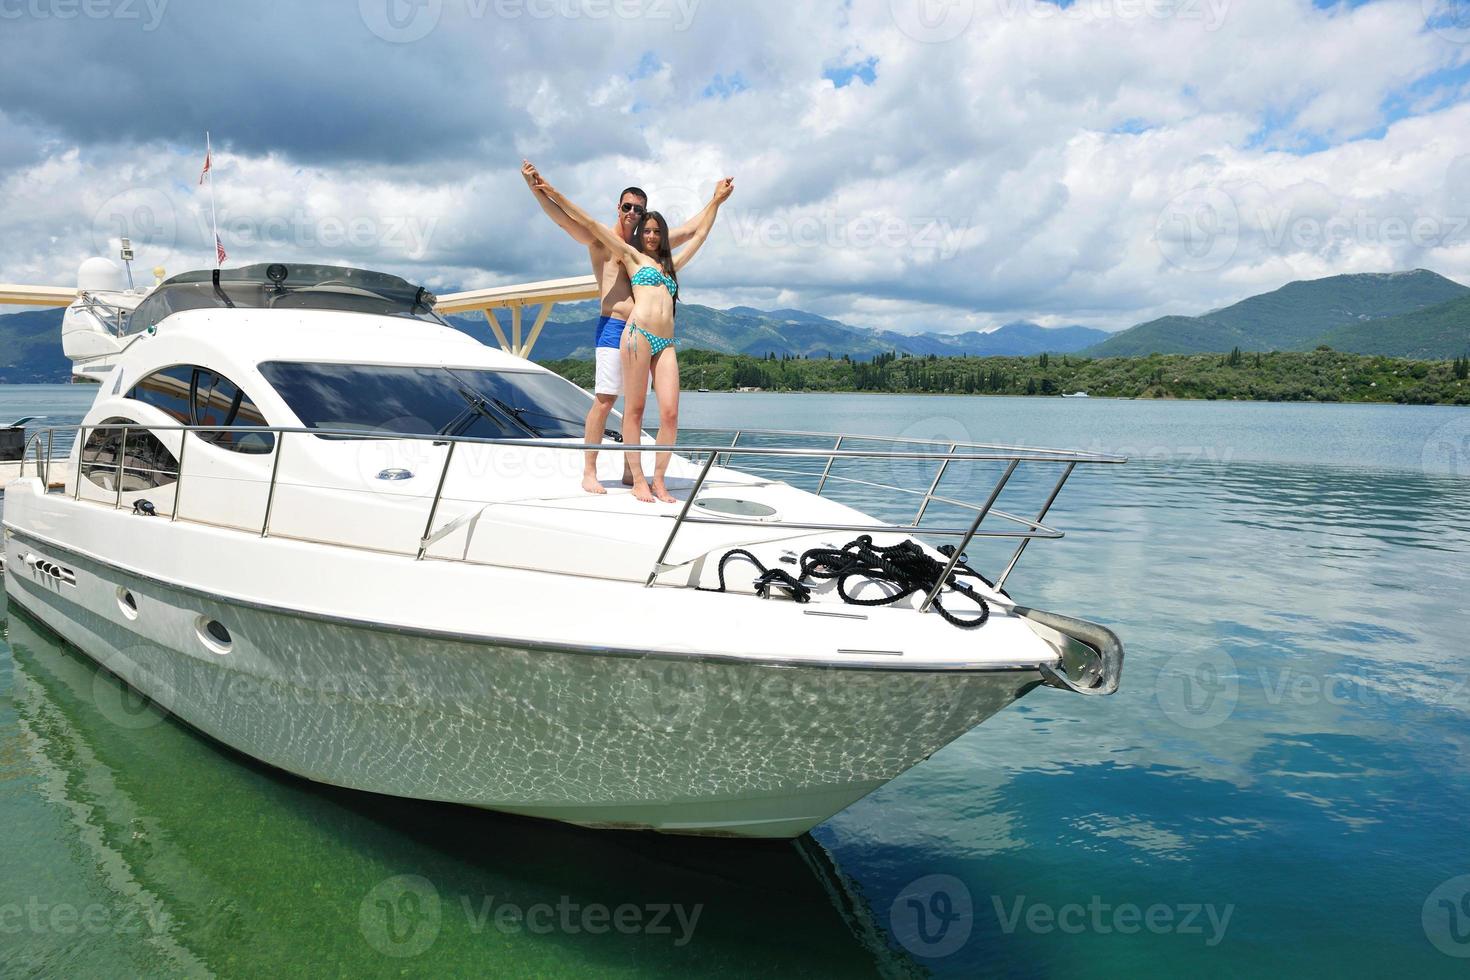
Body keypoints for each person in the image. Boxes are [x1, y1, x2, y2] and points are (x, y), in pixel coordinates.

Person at [521, 161, 727, 495]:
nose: (633, 212)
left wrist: (715, 199)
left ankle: (633, 472)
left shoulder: (649, 246)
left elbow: (692, 232)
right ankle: (590, 470)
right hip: (614, 326)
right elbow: (565, 219)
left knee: (638, 406)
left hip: (647, 333)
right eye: (627, 207)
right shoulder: (602, 242)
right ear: (619, 208)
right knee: (605, 399)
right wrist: (539, 188)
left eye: (639, 209)